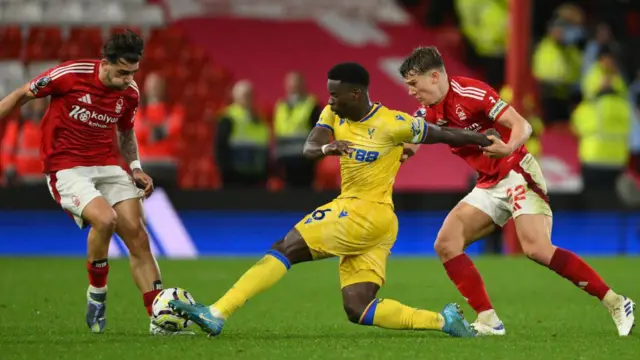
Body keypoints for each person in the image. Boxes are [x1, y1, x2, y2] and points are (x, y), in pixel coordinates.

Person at [169, 62, 496, 337]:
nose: (329, 99)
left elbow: (444, 134)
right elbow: (310, 147)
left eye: (335, 94)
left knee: (286, 248)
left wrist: (484, 139)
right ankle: (444, 322)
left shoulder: (392, 123)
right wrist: (328, 148)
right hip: (375, 223)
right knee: (359, 307)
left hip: (362, 212)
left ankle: (217, 312)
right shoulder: (332, 113)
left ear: (356, 94)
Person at [399, 46, 635, 336]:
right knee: (447, 244)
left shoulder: (472, 93)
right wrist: (397, 152)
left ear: (434, 77)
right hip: (488, 182)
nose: (411, 92)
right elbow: (411, 140)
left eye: (414, 84)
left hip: (516, 172)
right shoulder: (427, 110)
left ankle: (616, 302)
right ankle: (488, 320)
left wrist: (508, 147)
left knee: (536, 249)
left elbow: (521, 126)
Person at [0, 30, 187, 336]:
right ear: (104, 63)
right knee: (107, 219)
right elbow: (23, 94)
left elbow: (126, 134)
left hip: (108, 165)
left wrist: (136, 169)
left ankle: (159, 318)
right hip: (66, 167)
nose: (128, 79)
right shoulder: (70, 75)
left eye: (133, 72)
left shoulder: (130, 92)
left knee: (138, 236)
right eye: (122, 72)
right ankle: (97, 293)